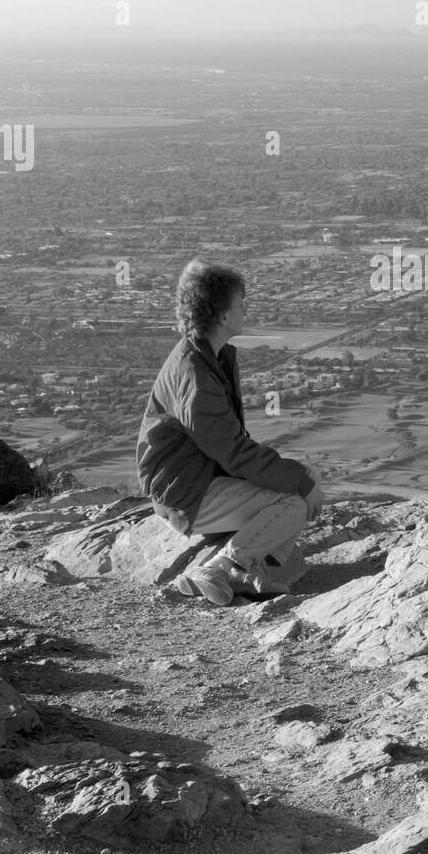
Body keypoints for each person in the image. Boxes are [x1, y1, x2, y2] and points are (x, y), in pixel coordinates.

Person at [136, 258, 322, 606]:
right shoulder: (195, 374)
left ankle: (246, 575)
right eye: (241, 304)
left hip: (198, 480)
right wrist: (300, 480)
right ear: (222, 315)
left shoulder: (211, 357)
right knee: (293, 501)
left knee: (299, 483)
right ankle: (218, 569)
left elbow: (230, 445)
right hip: (186, 495)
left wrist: (299, 475)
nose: (244, 310)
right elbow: (233, 451)